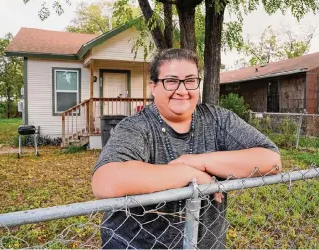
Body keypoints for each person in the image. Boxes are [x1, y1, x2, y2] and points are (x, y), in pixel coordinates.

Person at [92, 48, 282, 249]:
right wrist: (187, 174)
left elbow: (271, 160)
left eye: (190, 80)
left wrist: (199, 161)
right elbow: (105, 181)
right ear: (154, 87)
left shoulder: (217, 120)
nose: (182, 90)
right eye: (171, 81)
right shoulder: (136, 127)